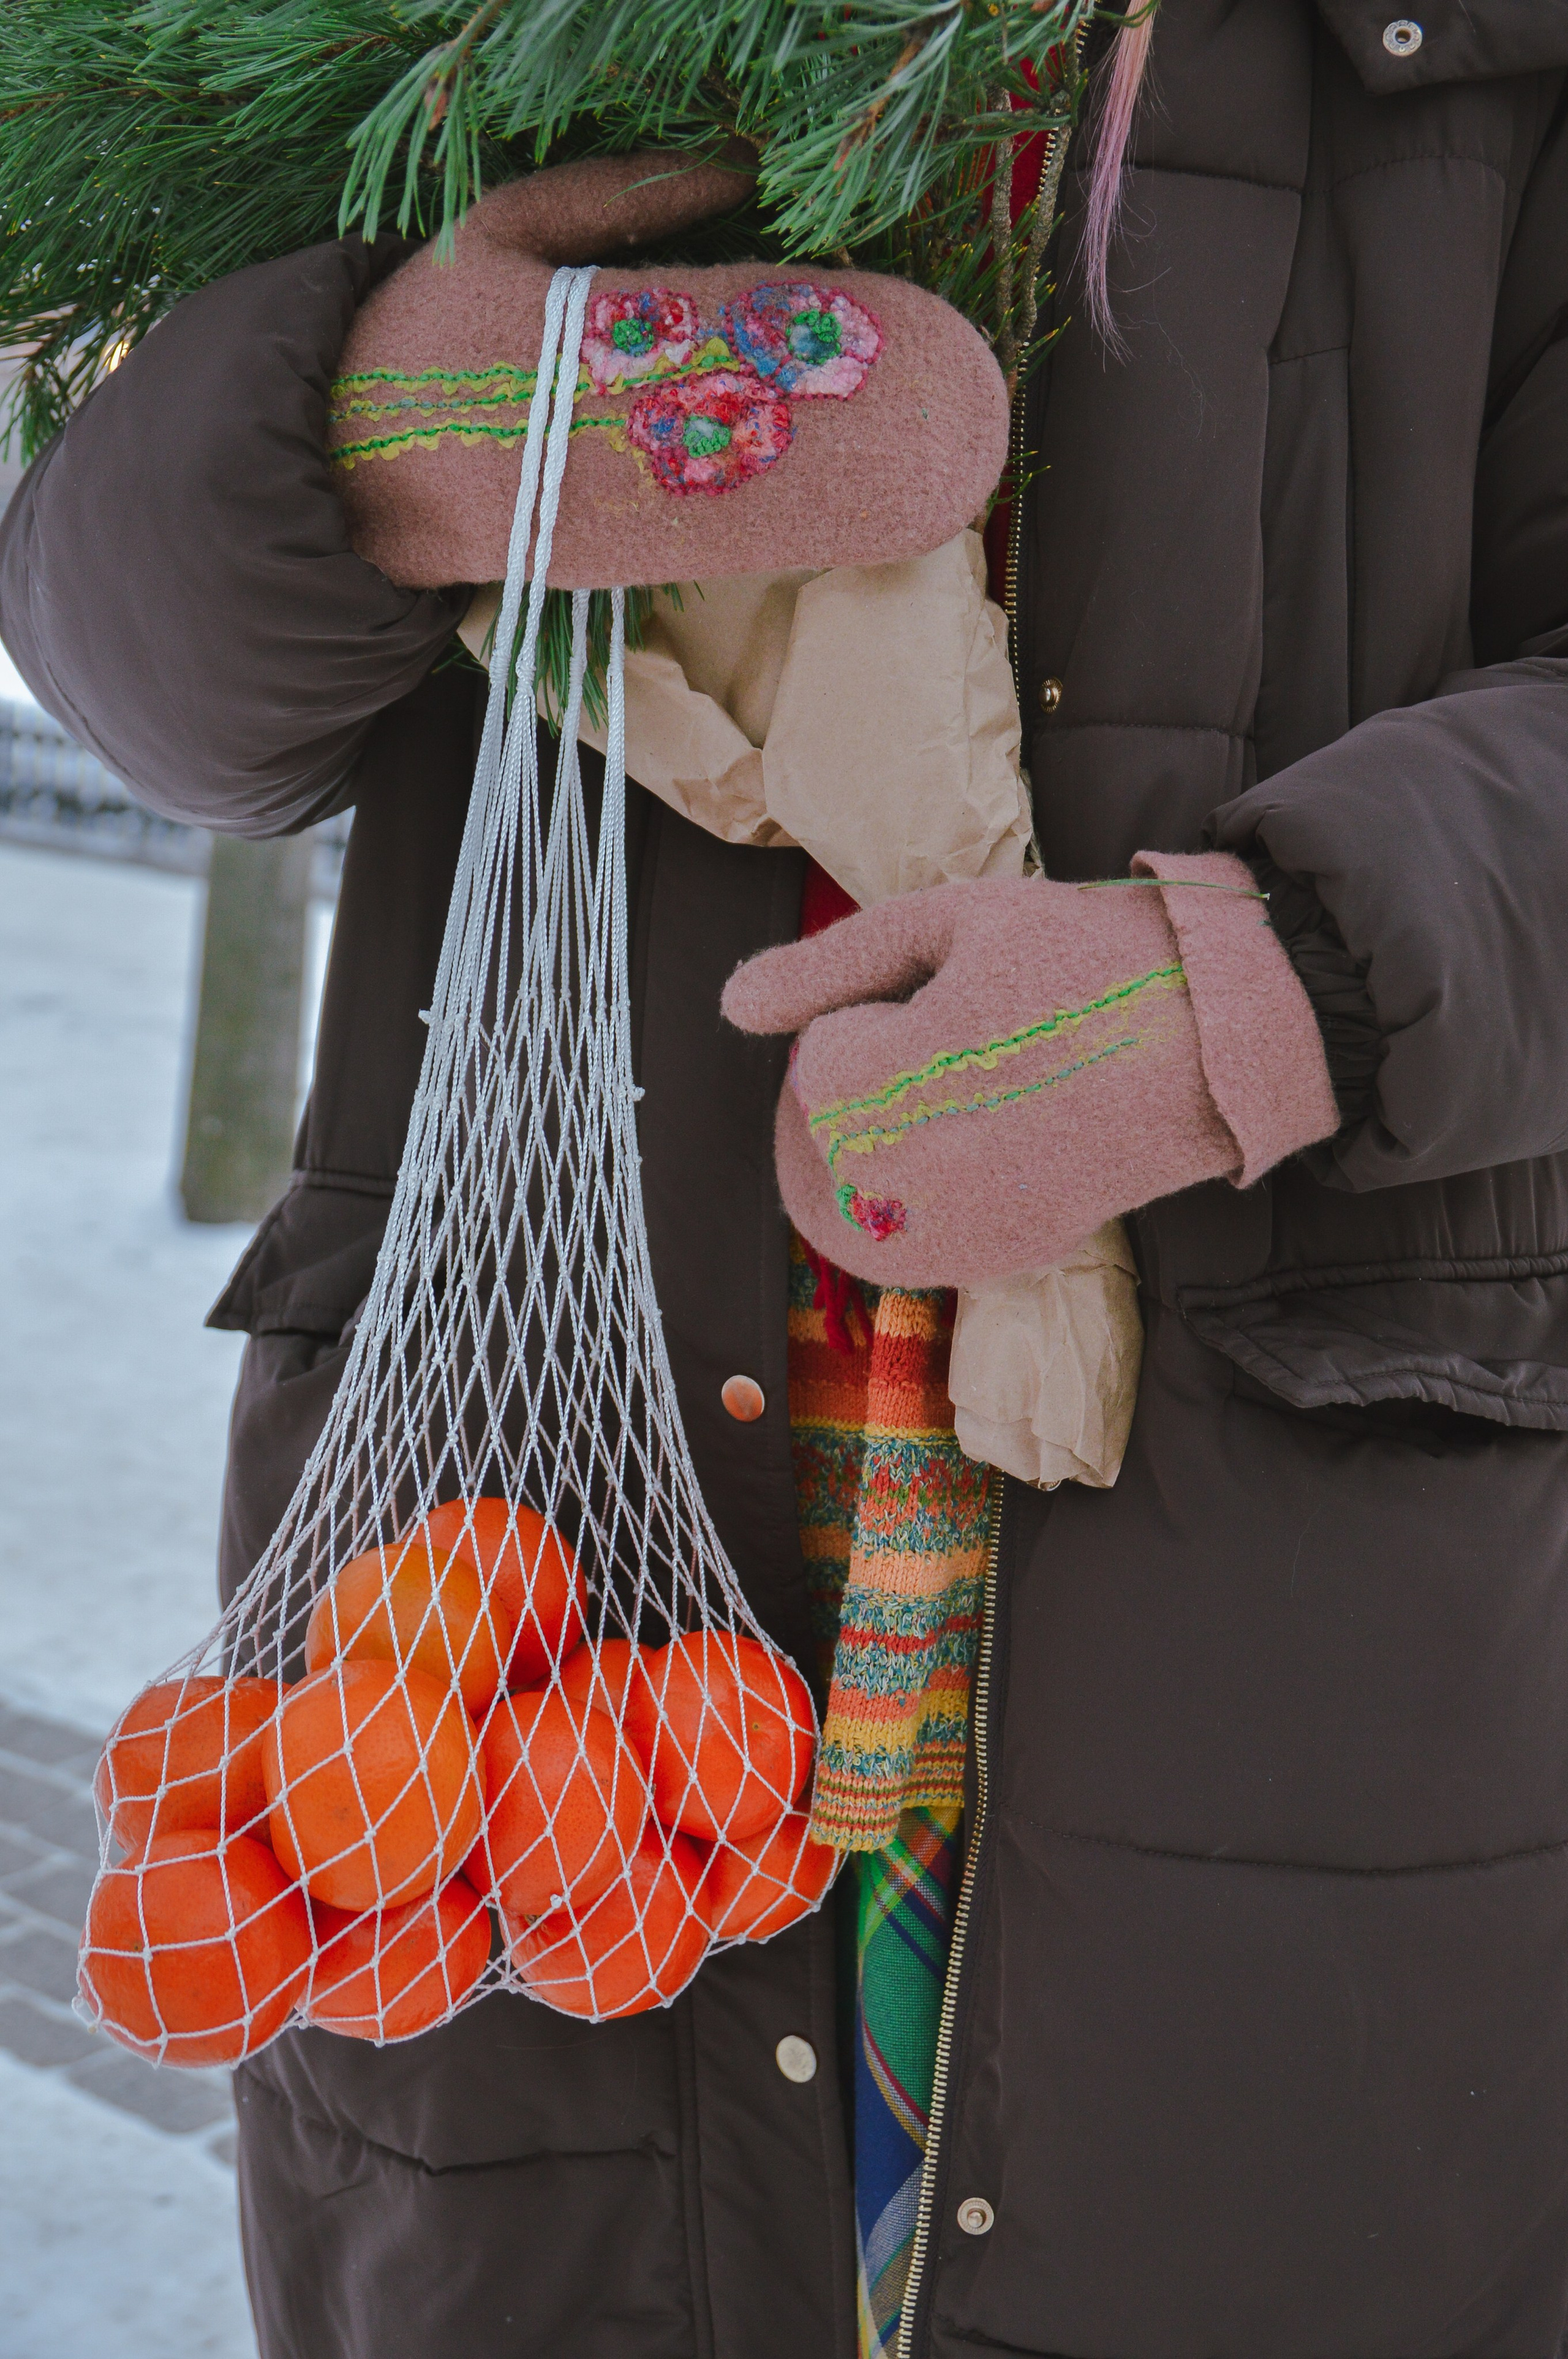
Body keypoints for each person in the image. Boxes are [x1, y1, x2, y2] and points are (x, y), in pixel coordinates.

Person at [7, 4, 1568, 2353]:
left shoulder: (1483, 75)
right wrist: (365, 446)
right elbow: (151, 677)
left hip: (1290, 1619)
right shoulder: (494, 39)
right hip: (523, 1554)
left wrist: (1284, 983)